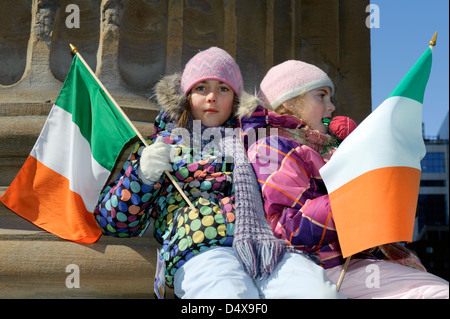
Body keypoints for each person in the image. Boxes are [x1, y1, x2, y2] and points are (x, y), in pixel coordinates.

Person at [94, 48, 343, 299]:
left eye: (223, 89)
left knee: (319, 294)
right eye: (202, 88)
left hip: (268, 248)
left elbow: (284, 197)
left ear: (235, 99)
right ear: (187, 96)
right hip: (202, 246)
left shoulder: (257, 141)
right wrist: (141, 177)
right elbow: (115, 223)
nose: (212, 97)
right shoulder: (162, 145)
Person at [238, 60, 449, 299]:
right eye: (321, 96)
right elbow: (291, 227)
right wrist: (360, 197)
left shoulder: (326, 147)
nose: (331, 107)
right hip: (326, 266)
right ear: (289, 102)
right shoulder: (272, 146)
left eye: (330, 98)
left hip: (358, 261)